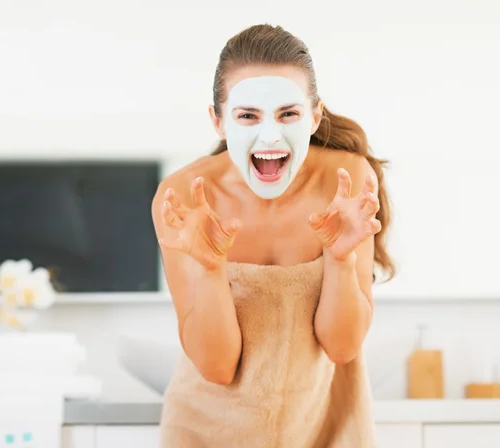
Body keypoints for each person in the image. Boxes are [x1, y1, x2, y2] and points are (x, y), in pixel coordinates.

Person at [152, 23, 394, 448]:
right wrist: (210, 269)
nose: (270, 136)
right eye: (248, 115)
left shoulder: (347, 179)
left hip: (324, 429)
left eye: (289, 114)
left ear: (315, 116)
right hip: (205, 432)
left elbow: (342, 348)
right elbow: (218, 367)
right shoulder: (182, 199)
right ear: (219, 121)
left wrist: (339, 258)